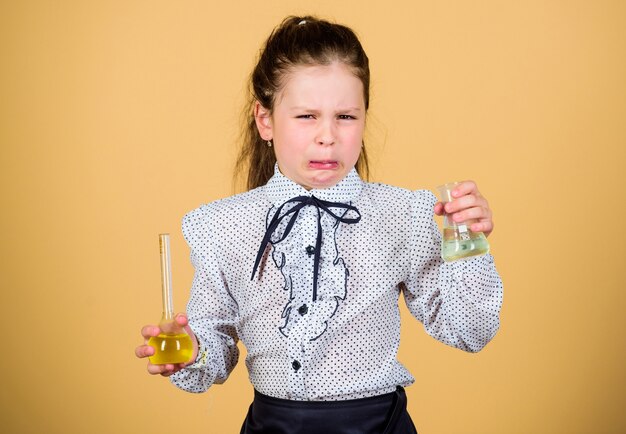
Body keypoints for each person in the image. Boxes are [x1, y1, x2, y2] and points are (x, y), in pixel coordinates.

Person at [135, 15, 503, 434]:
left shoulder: (405, 215)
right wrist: (191, 350)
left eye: (345, 116)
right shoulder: (223, 226)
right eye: (307, 116)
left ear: (365, 119)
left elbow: (470, 331)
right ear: (266, 120)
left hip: (378, 426)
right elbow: (215, 349)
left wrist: (469, 242)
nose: (327, 135)